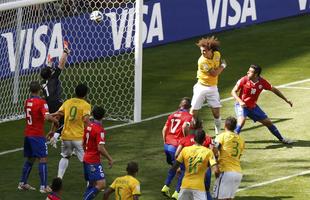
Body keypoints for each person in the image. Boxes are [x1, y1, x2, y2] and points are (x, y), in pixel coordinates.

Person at [231, 64, 293, 144]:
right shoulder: (244, 80)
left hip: (253, 107)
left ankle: (282, 139)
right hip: (241, 106)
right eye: (248, 70)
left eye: (250, 71)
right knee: (241, 121)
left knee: (268, 122)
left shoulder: (262, 82)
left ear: (256, 74)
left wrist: (286, 99)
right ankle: (232, 141)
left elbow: (274, 89)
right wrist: (240, 101)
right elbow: (233, 91)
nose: (247, 72)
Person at [17, 81, 58, 193]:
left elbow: (35, 115)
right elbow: (46, 117)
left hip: (28, 134)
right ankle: (43, 186)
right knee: (43, 158)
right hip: (37, 135)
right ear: (40, 90)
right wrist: (54, 119)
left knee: (30, 158)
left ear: (30, 90)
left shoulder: (26, 101)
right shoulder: (41, 102)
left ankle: (22, 183)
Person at [51, 83, 91, 179]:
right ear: (85, 94)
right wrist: (90, 131)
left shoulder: (67, 102)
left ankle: (59, 178)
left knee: (65, 157)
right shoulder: (86, 105)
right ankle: (90, 183)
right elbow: (86, 120)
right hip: (78, 138)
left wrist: (53, 130)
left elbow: (58, 115)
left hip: (66, 137)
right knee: (87, 160)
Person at [190, 36, 227, 136]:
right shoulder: (202, 61)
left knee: (216, 113)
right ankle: (191, 132)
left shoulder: (217, 55)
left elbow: (216, 69)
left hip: (213, 88)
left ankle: (218, 132)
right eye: (201, 51)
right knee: (193, 112)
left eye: (205, 51)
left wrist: (219, 67)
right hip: (201, 87)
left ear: (211, 50)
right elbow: (214, 73)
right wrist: (223, 66)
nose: (202, 53)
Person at [172, 130, 219, 200]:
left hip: (185, 186)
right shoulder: (208, 152)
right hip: (199, 188)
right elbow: (216, 170)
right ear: (204, 140)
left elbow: (175, 166)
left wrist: (178, 170)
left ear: (194, 139)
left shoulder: (185, 150)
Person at [161, 97, 193, 198]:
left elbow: (164, 129)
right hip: (176, 146)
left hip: (167, 146)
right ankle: (177, 193)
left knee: (176, 167)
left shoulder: (172, 115)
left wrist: (165, 142)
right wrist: (186, 139)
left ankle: (166, 187)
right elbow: (184, 127)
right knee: (184, 169)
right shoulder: (188, 116)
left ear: (180, 105)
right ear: (190, 107)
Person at [41, 41, 70, 147]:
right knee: (68, 120)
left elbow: (47, 70)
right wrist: (66, 51)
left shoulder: (43, 82)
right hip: (57, 103)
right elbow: (61, 63)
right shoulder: (53, 78)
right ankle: (56, 138)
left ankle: (53, 135)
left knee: (58, 120)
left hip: (49, 105)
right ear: (50, 74)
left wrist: (49, 61)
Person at [82, 106, 113, 200]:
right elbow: (100, 147)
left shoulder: (88, 127)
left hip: (86, 158)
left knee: (92, 184)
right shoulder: (99, 129)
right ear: (103, 116)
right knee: (101, 184)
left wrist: (88, 152)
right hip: (93, 161)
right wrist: (110, 158)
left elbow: (83, 143)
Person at [213, 117, 245, 200]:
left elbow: (214, 150)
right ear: (235, 127)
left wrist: (215, 164)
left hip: (225, 172)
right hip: (238, 173)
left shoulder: (222, 136)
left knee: (218, 198)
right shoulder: (241, 140)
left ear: (225, 125)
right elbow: (239, 156)